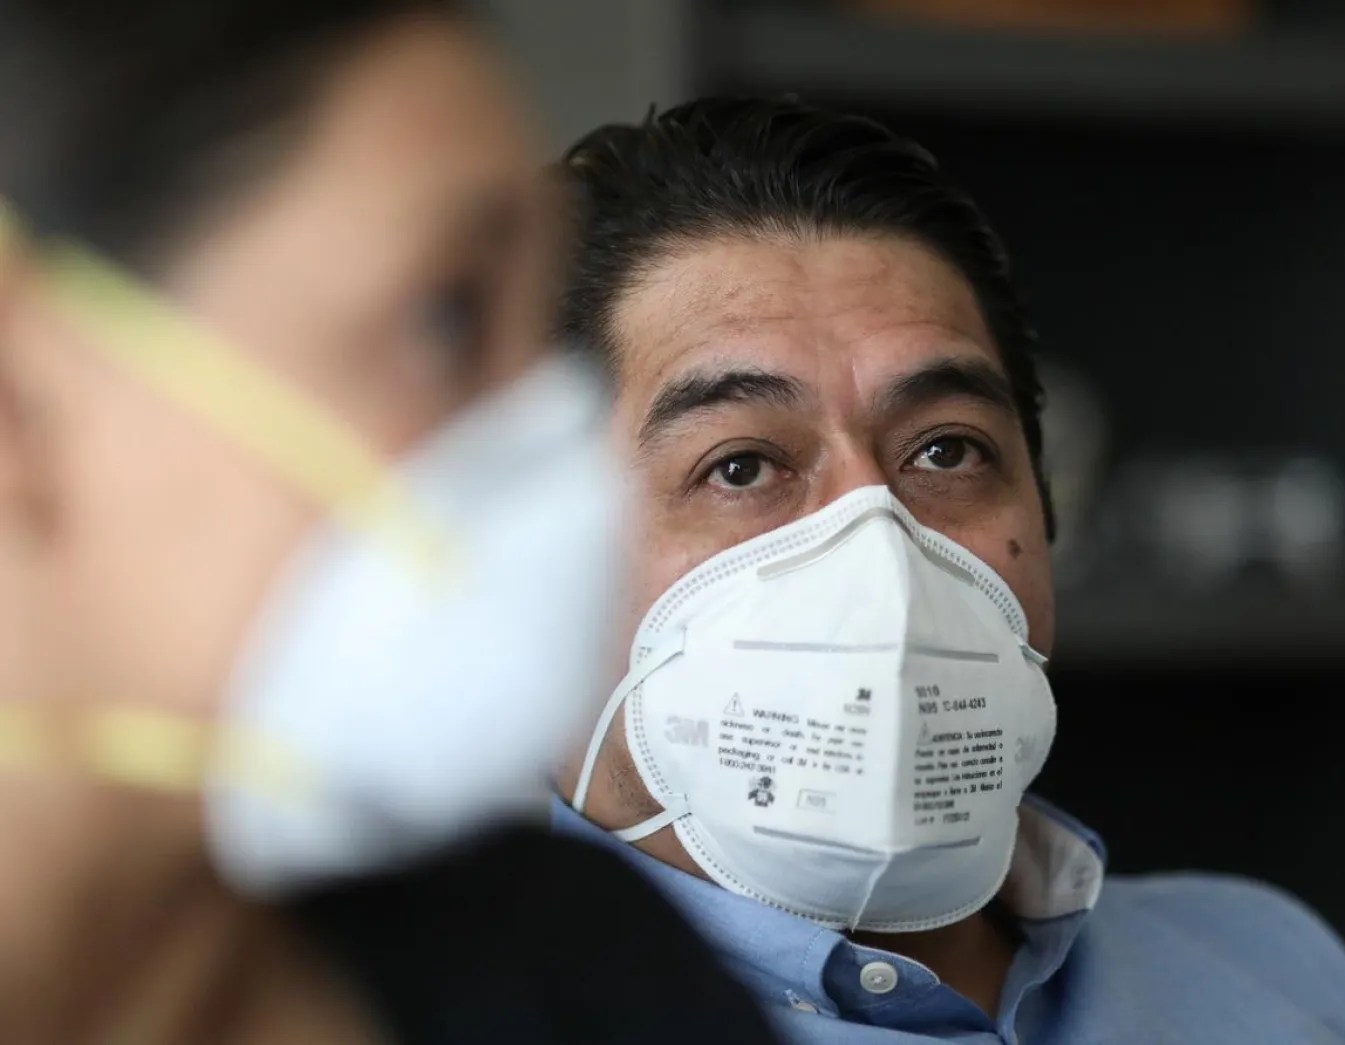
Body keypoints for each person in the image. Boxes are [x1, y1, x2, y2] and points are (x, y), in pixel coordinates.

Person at [552, 97, 1345, 1045]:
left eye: (946, 451)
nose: (882, 551)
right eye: (740, 466)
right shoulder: (438, 1006)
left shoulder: (1275, 972)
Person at [0, 4, 778, 1043]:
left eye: (545, 340)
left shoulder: (589, 974)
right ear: (22, 396)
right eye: (448, 318)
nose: (566, 456)